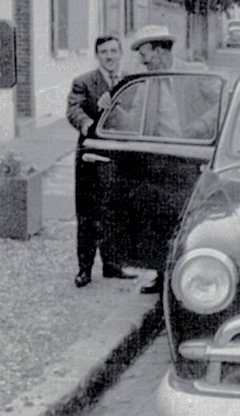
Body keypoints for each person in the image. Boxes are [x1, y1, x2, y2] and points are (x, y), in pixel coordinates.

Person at [127, 25, 222, 294]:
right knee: (158, 219)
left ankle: (191, 276)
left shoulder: (195, 72)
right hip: (159, 159)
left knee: (190, 219)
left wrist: (202, 125)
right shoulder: (146, 83)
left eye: (145, 55)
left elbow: (225, 101)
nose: (142, 61)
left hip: (192, 159)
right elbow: (134, 120)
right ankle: (162, 276)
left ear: (159, 51)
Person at [66, 35, 136, 288]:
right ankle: (84, 269)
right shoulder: (83, 82)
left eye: (113, 51)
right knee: (87, 214)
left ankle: (113, 265)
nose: (109, 56)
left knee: (116, 211)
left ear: (120, 53)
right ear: (97, 55)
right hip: (91, 156)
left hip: (119, 156)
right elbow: (74, 110)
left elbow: (137, 114)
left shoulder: (131, 82)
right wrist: (88, 125)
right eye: (104, 52)